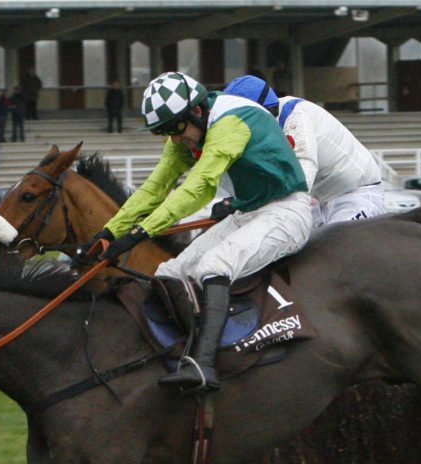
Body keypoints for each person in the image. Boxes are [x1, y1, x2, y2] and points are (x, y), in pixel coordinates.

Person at [93, 71, 311, 393]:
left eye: (176, 129)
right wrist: (108, 233)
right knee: (168, 272)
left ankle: (205, 365)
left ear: (197, 111)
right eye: (165, 133)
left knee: (213, 267)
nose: (176, 139)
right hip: (247, 213)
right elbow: (154, 189)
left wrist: (141, 232)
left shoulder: (231, 120)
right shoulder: (187, 128)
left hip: (286, 211)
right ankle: (178, 352)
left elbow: (200, 187)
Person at [225, 75, 385, 226]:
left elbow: (302, 171)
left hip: (356, 195)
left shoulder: (295, 116)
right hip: (319, 201)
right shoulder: (266, 122)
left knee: (334, 251)